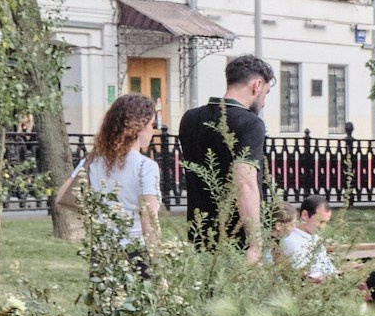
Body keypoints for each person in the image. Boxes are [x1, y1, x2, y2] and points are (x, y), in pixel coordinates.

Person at [176, 56, 274, 261]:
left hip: (199, 235)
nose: (263, 103)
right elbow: (244, 184)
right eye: (266, 93)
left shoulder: (190, 119)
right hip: (236, 244)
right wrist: (255, 245)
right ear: (257, 85)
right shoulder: (250, 123)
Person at [53, 92, 164, 255]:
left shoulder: (92, 161)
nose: (153, 132)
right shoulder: (145, 167)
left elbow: (62, 197)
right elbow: (149, 225)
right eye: (152, 125)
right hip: (136, 254)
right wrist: (160, 274)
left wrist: (99, 214)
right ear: (139, 127)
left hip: (102, 253)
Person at [281, 193, 338, 278]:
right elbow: (306, 277)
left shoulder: (315, 237)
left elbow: (328, 269)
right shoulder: (293, 242)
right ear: (305, 215)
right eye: (320, 221)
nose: (323, 227)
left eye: (326, 222)